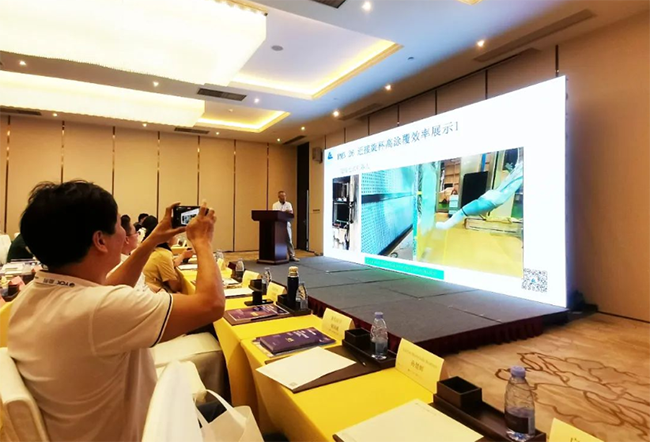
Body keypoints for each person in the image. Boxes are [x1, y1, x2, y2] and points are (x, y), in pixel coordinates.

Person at [8, 181, 225, 442]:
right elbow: (212, 304)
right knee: (229, 414)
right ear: (100, 240)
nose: (125, 232)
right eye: (119, 225)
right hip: (140, 434)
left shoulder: (33, 295)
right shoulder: (97, 309)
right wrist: (202, 241)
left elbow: (108, 289)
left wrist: (154, 239)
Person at [435, 161, 523, 230]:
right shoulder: (470, 208)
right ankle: (520, 168)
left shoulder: (469, 209)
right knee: (509, 184)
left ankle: (520, 168)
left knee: (509, 184)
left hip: (490, 199)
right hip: (490, 199)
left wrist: (444, 225)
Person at [141, 215, 194, 293]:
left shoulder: (156, 249)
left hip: (148, 289)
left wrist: (182, 256)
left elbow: (170, 264)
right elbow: (175, 286)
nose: (177, 237)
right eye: (175, 234)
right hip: (155, 293)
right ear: (167, 237)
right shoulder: (163, 254)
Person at [272, 190, 299, 262]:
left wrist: (284, 213)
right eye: (282, 196)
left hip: (287, 224)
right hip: (278, 225)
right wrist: (284, 212)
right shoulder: (275, 205)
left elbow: (290, 213)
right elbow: (276, 214)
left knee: (289, 240)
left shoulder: (288, 204)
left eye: (284, 196)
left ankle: (292, 256)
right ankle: (279, 256)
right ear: (279, 197)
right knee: (278, 241)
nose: (284, 197)